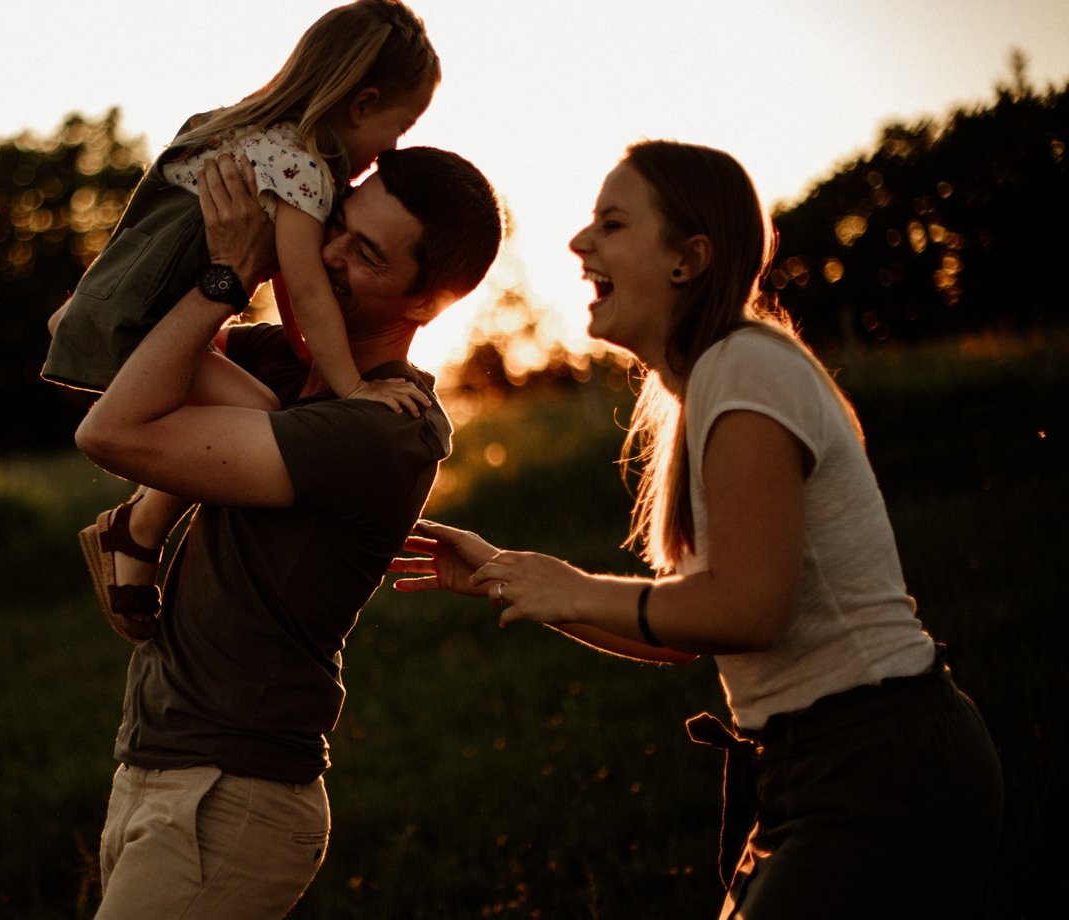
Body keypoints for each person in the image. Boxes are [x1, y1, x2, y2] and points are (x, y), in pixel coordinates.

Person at [391, 140, 1003, 917]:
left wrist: (575, 587)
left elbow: (748, 608)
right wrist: (507, 575)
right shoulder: (706, 385)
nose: (580, 245)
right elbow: (692, 625)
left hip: (881, 768)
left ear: (689, 259)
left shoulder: (744, 368)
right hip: (828, 768)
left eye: (611, 224)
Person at [76, 147, 500, 916]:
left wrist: (229, 280)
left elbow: (112, 431)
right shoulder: (272, 362)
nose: (326, 255)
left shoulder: (387, 429)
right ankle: (134, 528)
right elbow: (90, 330)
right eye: (335, 225)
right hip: (155, 763)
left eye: (365, 255)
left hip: (233, 796)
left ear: (427, 303)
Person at [43, 0, 443, 642]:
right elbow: (310, 290)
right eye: (402, 125)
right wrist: (354, 387)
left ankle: (136, 528)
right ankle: (138, 529)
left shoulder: (248, 134)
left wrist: (307, 351)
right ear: (362, 105)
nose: (393, 147)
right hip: (143, 326)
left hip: (123, 306)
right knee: (259, 412)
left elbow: (289, 276)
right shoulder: (304, 169)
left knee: (229, 415)